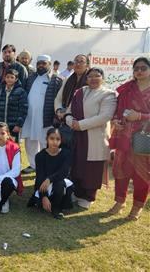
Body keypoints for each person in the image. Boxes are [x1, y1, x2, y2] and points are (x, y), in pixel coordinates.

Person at [65, 67, 117, 209]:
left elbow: (105, 116)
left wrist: (80, 125)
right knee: (77, 164)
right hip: (78, 135)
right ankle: (77, 192)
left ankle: (88, 196)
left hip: (95, 137)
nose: (93, 78)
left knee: (91, 169)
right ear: (86, 79)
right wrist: (71, 122)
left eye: (97, 76)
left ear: (103, 78)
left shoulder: (109, 94)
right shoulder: (79, 92)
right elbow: (68, 112)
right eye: (90, 76)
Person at [108, 57, 150, 220]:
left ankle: (137, 206)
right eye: (136, 68)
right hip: (124, 136)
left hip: (144, 139)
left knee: (142, 174)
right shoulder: (127, 88)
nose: (139, 71)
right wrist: (116, 121)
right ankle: (119, 201)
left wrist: (139, 115)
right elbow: (118, 110)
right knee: (120, 169)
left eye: (143, 68)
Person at [21, 55, 63, 173]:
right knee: (30, 142)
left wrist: (56, 116)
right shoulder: (30, 78)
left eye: (44, 63)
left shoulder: (55, 80)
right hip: (29, 117)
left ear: (49, 64)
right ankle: (34, 165)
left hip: (46, 117)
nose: (41, 65)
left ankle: (48, 166)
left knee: (46, 142)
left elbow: (59, 99)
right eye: (39, 63)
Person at [27, 128, 73, 219]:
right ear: (47, 139)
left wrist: (49, 179)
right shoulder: (40, 156)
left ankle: (56, 208)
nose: (55, 142)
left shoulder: (66, 154)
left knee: (59, 184)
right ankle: (45, 200)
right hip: (43, 184)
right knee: (41, 200)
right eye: (52, 138)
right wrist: (44, 196)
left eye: (57, 139)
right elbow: (40, 177)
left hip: (58, 181)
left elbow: (63, 172)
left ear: (61, 140)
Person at [0, 69, 28, 141]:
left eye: (12, 77)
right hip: (1, 124)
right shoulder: (0, 90)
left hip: (13, 125)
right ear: (5, 78)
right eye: (7, 77)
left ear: (16, 79)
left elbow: (23, 109)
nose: (9, 79)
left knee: (12, 146)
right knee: (0, 144)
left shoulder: (21, 92)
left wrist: (18, 125)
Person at [55, 54, 90, 118]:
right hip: (65, 118)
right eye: (76, 61)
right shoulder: (68, 80)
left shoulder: (90, 81)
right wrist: (58, 110)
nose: (78, 64)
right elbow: (58, 98)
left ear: (87, 65)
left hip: (83, 120)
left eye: (81, 61)